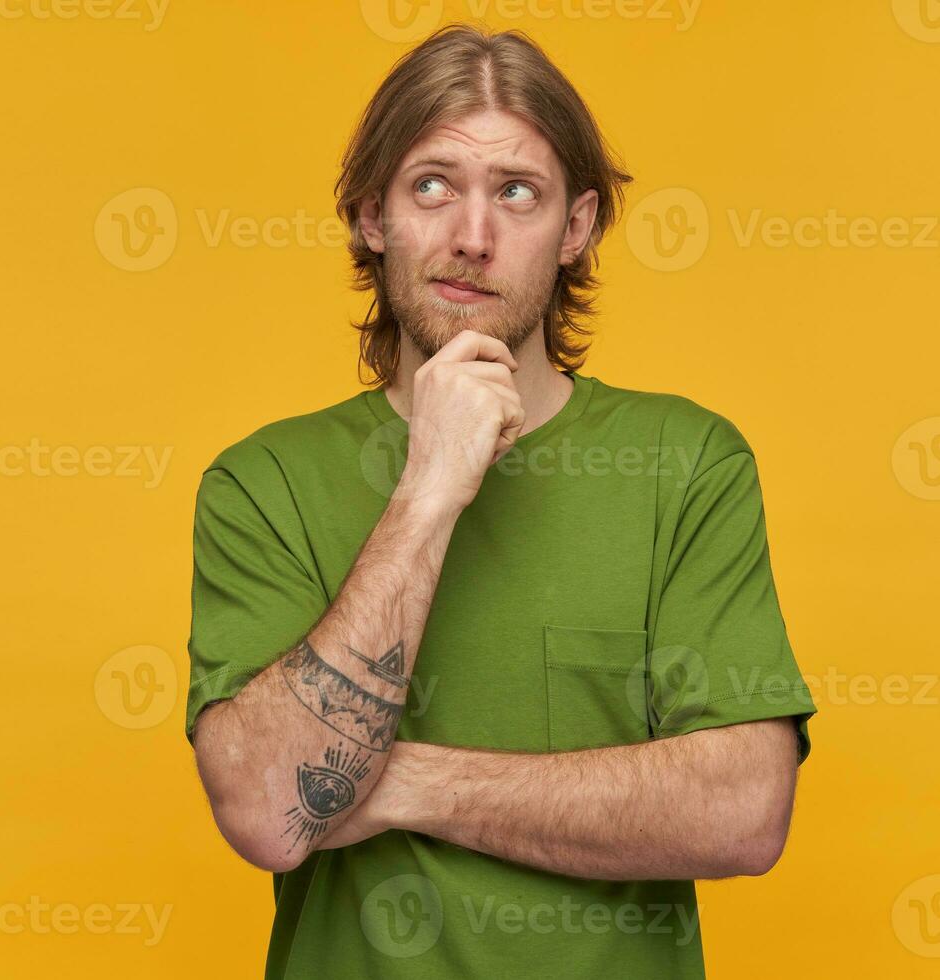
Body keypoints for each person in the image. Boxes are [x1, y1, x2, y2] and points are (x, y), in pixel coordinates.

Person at [184, 23, 816, 978]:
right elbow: (271, 815)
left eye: (515, 192)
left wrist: (393, 782)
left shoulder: (686, 463)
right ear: (371, 217)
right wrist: (429, 490)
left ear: (576, 228)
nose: (472, 238)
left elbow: (743, 813)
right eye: (432, 185)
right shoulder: (262, 484)